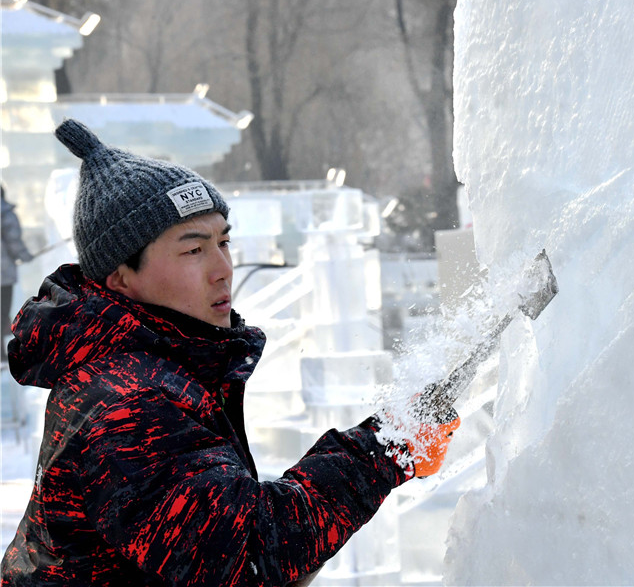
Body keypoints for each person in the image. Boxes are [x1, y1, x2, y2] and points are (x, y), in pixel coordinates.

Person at [1, 118, 458, 586]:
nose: (222, 270)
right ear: (120, 278)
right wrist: (383, 450)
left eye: (224, 242)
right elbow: (246, 554)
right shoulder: (127, 403)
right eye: (193, 250)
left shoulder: (148, 369)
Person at [1, 184, 33, 361]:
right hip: (3, 274)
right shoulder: (5, 213)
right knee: (2, 310)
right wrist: (26, 256)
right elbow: (13, 241)